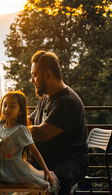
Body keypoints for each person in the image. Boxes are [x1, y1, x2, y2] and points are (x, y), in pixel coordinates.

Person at [29, 50, 88, 195]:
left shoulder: (67, 102)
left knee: (59, 179)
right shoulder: (46, 97)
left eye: (35, 75)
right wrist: (4, 122)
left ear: (48, 74)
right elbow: (29, 120)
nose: (32, 80)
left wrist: (14, 130)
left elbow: (41, 133)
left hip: (70, 160)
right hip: (50, 159)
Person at [0, 91, 60, 193]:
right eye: (5, 105)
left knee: (42, 183)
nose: (7, 109)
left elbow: (34, 151)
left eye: (12, 106)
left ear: (20, 111)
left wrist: (46, 171)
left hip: (13, 169)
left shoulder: (20, 130)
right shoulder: (1, 124)